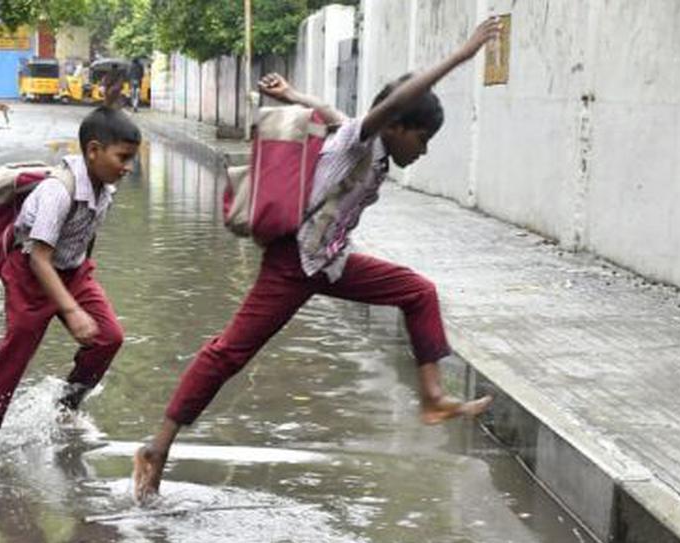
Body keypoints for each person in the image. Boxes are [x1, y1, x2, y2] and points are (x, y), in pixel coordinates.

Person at [132, 17, 504, 500]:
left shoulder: (362, 139)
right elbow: (381, 107)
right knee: (229, 352)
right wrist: (462, 53)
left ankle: (433, 397)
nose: (425, 150)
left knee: (418, 291)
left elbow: (329, 110)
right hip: (292, 264)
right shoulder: (360, 140)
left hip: (328, 263)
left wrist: (293, 95)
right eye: (422, 138)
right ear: (395, 126)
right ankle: (157, 447)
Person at [0, 107, 141, 437]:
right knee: (16, 351)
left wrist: (80, 287)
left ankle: (66, 406)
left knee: (109, 337)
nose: (128, 168)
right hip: (31, 274)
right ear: (93, 150)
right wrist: (72, 311)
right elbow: (38, 259)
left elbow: (83, 238)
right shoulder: (57, 192)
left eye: (131, 159)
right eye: (123, 158)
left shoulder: (105, 190)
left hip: (72, 272)